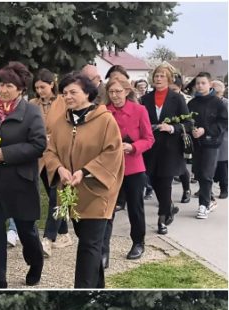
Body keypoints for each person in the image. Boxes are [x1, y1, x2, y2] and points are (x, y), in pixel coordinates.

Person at [44, 72, 124, 288]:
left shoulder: (105, 120)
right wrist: (59, 169)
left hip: (98, 191)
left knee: (89, 244)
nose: (67, 96)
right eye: (64, 93)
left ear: (88, 93)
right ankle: (98, 286)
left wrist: (85, 171)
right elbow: (50, 152)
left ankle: (82, 288)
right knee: (89, 243)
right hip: (72, 192)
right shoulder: (62, 122)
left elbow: (112, 152)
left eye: (73, 92)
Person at [0, 61, 47, 288]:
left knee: (26, 230)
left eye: (9, 86)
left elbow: (38, 145)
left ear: (21, 89)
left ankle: (35, 262)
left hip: (20, 181)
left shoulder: (31, 112)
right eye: (1, 85)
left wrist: (5, 154)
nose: (4, 90)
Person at [105, 77, 154, 261]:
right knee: (107, 208)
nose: (115, 95)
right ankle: (103, 249)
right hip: (109, 166)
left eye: (118, 91)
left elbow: (149, 139)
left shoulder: (139, 110)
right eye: (111, 92)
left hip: (133, 166)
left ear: (127, 91)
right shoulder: (103, 112)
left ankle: (138, 242)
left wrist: (133, 147)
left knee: (135, 207)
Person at [140, 63, 189, 234]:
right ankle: (168, 206)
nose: (158, 79)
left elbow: (188, 123)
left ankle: (162, 219)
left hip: (170, 148)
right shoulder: (145, 99)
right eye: (156, 76)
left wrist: (172, 128)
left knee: (166, 183)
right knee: (153, 181)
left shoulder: (177, 99)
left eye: (162, 76)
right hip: (151, 148)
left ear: (169, 79)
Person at [32, 69, 72, 252]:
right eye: (37, 87)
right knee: (52, 195)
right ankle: (64, 233)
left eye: (43, 87)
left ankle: (48, 238)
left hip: (58, 154)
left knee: (57, 196)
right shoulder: (32, 104)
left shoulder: (63, 102)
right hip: (39, 156)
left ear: (52, 85)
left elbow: (70, 125)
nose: (40, 91)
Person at [187, 72, 228, 219]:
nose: (200, 86)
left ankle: (203, 205)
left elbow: (223, 123)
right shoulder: (192, 103)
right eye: (198, 83)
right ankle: (209, 199)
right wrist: (192, 130)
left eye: (203, 83)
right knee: (198, 173)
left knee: (206, 174)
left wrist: (206, 130)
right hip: (196, 143)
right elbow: (188, 121)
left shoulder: (218, 103)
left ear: (210, 84)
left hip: (212, 143)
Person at [213, 79, 229, 199]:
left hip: (223, 138)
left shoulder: (226, 104)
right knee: (208, 165)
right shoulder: (210, 103)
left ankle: (224, 188)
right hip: (209, 138)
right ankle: (206, 188)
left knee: (222, 164)